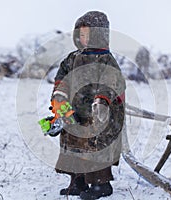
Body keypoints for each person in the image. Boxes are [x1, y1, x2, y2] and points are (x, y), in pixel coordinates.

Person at [50, 11, 126, 199]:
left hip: (98, 112)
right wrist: (60, 95)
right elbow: (62, 77)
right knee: (74, 145)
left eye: (88, 35)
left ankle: (101, 184)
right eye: (81, 35)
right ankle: (77, 182)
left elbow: (112, 81)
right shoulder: (72, 58)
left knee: (95, 147)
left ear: (99, 35)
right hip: (74, 112)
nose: (84, 39)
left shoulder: (106, 59)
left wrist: (102, 100)